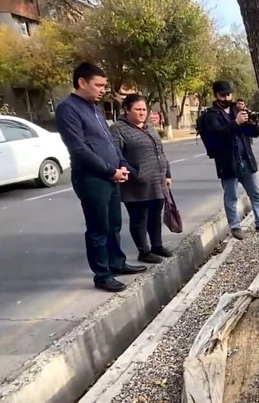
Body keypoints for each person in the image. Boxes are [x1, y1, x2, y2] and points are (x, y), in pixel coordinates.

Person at [55, 62, 146, 292]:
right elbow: (79, 148)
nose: (103, 89)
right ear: (82, 82)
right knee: (99, 227)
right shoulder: (68, 109)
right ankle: (102, 275)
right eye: (99, 85)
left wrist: (122, 164)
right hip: (92, 179)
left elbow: (108, 142)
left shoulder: (95, 108)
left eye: (104, 85)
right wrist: (109, 170)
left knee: (114, 223)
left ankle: (117, 263)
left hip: (112, 176)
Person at [200, 80, 259, 240]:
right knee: (231, 197)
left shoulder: (236, 110)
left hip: (246, 160)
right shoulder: (211, 116)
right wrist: (236, 122)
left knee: (256, 194)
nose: (226, 97)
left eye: (228, 94)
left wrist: (252, 122)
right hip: (228, 163)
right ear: (216, 95)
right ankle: (235, 227)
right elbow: (219, 133)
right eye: (222, 95)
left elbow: (253, 134)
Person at [110, 94, 172, 264]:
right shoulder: (118, 129)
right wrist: (135, 174)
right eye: (137, 109)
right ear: (127, 110)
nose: (142, 113)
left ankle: (157, 246)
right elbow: (116, 155)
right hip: (136, 185)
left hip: (157, 182)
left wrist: (167, 174)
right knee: (139, 218)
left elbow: (160, 152)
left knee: (155, 215)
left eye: (144, 109)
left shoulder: (149, 128)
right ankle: (143, 251)